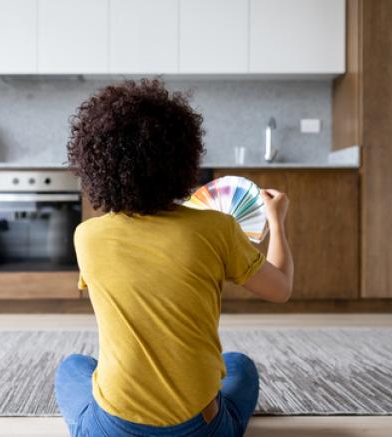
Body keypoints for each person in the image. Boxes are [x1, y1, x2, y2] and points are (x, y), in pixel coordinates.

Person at [55, 79, 294, 437]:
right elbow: (281, 288)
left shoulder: (87, 236)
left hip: (114, 430)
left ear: (95, 164)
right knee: (239, 365)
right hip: (201, 429)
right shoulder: (217, 228)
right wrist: (276, 220)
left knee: (73, 366)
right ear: (183, 158)